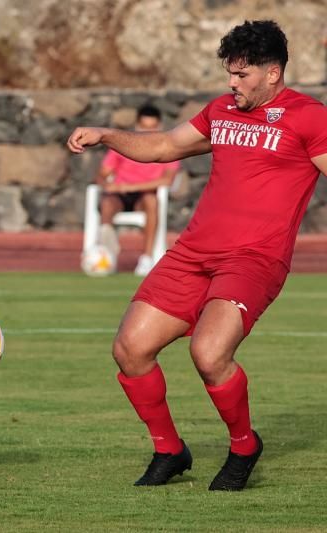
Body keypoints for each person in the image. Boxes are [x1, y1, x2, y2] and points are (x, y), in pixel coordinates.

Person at [67, 19, 327, 491]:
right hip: (192, 253)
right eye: (230, 73)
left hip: (254, 259)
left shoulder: (309, 117)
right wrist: (107, 135)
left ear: (273, 73)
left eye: (242, 74)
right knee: (130, 349)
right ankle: (169, 450)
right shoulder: (222, 111)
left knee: (208, 353)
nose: (233, 83)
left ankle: (244, 445)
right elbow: (165, 145)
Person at [94, 104, 180, 276]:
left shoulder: (169, 149)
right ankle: (106, 253)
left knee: (151, 200)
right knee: (107, 202)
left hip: (144, 197)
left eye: (152, 128)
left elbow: (167, 180)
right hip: (119, 196)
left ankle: (146, 258)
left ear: (159, 127)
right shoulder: (123, 145)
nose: (148, 133)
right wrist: (106, 184)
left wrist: (131, 186)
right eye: (144, 128)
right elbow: (101, 175)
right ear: (137, 126)